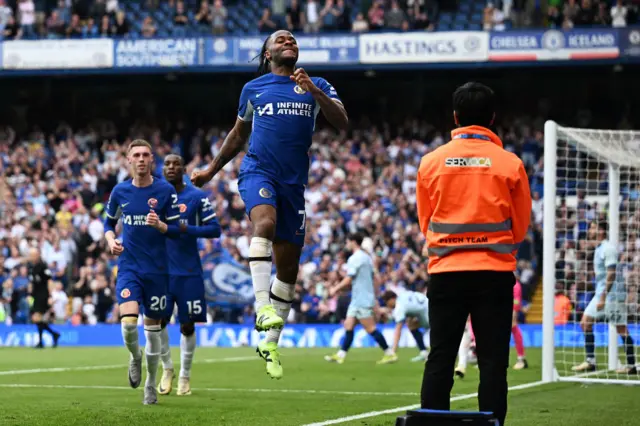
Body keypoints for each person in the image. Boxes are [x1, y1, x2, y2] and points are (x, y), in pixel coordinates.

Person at [190, 29, 348, 379]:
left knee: (289, 270)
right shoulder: (254, 89)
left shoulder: (316, 83)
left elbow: (341, 122)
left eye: (292, 39)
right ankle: (262, 308)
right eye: (280, 40)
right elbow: (238, 135)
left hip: (294, 185)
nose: (288, 41)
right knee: (264, 225)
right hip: (258, 171)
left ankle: (270, 343)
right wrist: (211, 171)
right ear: (267, 54)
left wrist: (315, 90)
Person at [416, 82, 532, 426]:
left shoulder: (430, 162)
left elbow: (426, 223)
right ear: (493, 118)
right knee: (493, 363)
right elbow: (521, 226)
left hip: (446, 273)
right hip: (494, 275)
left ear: (455, 117)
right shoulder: (510, 164)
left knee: (440, 359)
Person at [104, 139, 180, 405]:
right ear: (128, 160)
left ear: (152, 161)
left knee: (153, 332)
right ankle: (135, 357)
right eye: (135, 155)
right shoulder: (119, 192)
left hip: (158, 272)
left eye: (145, 155)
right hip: (129, 268)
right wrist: (110, 240)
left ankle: (150, 384)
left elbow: (177, 229)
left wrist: (160, 225)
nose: (140, 159)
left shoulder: (165, 190)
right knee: (127, 326)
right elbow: (108, 222)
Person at [157, 154, 221, 396]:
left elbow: (215, 229)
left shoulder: (196, 197)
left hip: (188, 271)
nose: (171, 167)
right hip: (161, 272)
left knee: (187, 326)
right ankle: (167, 369)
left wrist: (187, 228)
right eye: (167, 164)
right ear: (163, 169)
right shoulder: (154, 196)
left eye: (176, 164)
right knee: (158, 322)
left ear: (184, 169)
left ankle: (185, 375)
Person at [572, 221, 636, 375]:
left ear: (601, 231)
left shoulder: (608, 249)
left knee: (621, 329)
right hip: (602, 294)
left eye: (593, 227)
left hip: (611, 296)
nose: (590, 230)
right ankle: (591, 361)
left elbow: (611, 273)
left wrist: (602, 297)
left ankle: (631, 365)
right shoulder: (599, 249)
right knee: (585, 322)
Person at [324, 233, 397, 365]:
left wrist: (335, 289)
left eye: (347, 241)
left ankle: (389, 353)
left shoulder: (355, 258)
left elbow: (349, 278)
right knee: (349, 325)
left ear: (353, 242)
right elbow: (376, 278)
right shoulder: (367, 258)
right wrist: (374, 295)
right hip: (359, 298)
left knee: (370, 328)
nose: (346, 244)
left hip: (361, 299)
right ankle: (340, 355)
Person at [381, 289, 430, 362]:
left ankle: (427, 353)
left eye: (386, 302)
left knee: (411, 324)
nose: (387, 305)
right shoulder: (403, 294)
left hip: (428, 314)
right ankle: (424, 352)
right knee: (411, 323)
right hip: (431, 307)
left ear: (392, 299)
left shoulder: (399, 307)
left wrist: (393, 350)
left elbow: (398, 329)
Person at [28, 248, 60, 348]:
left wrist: (51, 296)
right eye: (31, 255)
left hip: (43, 295)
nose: (32, 257)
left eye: (33, 255)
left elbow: (49, 281)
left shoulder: (43, 266)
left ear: (38, 255)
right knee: (37, 319)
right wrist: (30, 294)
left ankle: (42, 341)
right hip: (36, 296)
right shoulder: (32, 267)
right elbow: (33, 283)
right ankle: (53, 335)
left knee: (36, 318)